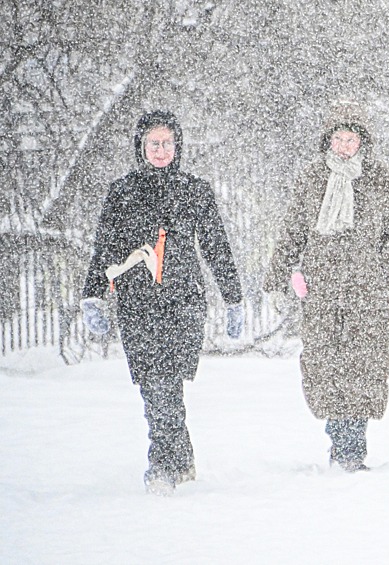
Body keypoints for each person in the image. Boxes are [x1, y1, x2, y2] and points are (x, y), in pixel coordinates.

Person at [80, 110, 244, 495]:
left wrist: (233, 297)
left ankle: (163, 464)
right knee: (154, 384)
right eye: (153, 143)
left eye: (167, 143)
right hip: (137, 303)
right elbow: (106, 246)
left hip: (183, 302)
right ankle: (176, 459)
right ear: (141, 146)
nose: (160, 150)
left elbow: (217, 246)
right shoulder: (122, 192)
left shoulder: (195, 190)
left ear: (178, 146)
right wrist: (93, 294)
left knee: (166, 382)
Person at [264, 100, 389, 472]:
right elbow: (293, 229)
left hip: (368, 291)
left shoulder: (380, 179)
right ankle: (340, 436)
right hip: (322, 290)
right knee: (325, 366)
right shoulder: (313, 179)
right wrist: (277, 275)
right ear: (328, 140)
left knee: (363, 367)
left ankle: (350, 448)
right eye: (339, 138)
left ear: (362, 141)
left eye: (351, 139)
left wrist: (385, 262)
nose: (345, 145)